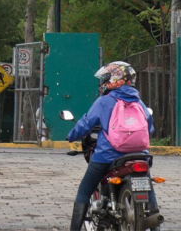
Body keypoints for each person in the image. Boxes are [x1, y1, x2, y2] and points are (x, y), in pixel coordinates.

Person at [66, 61, 155, 231]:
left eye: (105, 79)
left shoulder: (104, 101)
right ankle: (155, 223)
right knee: (147, 184)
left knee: (85, 189)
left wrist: (71, 136)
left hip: (108, 155)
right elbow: (150, 127)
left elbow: (85, 123)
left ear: (115, 80)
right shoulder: (139, 102)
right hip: (139, 154)